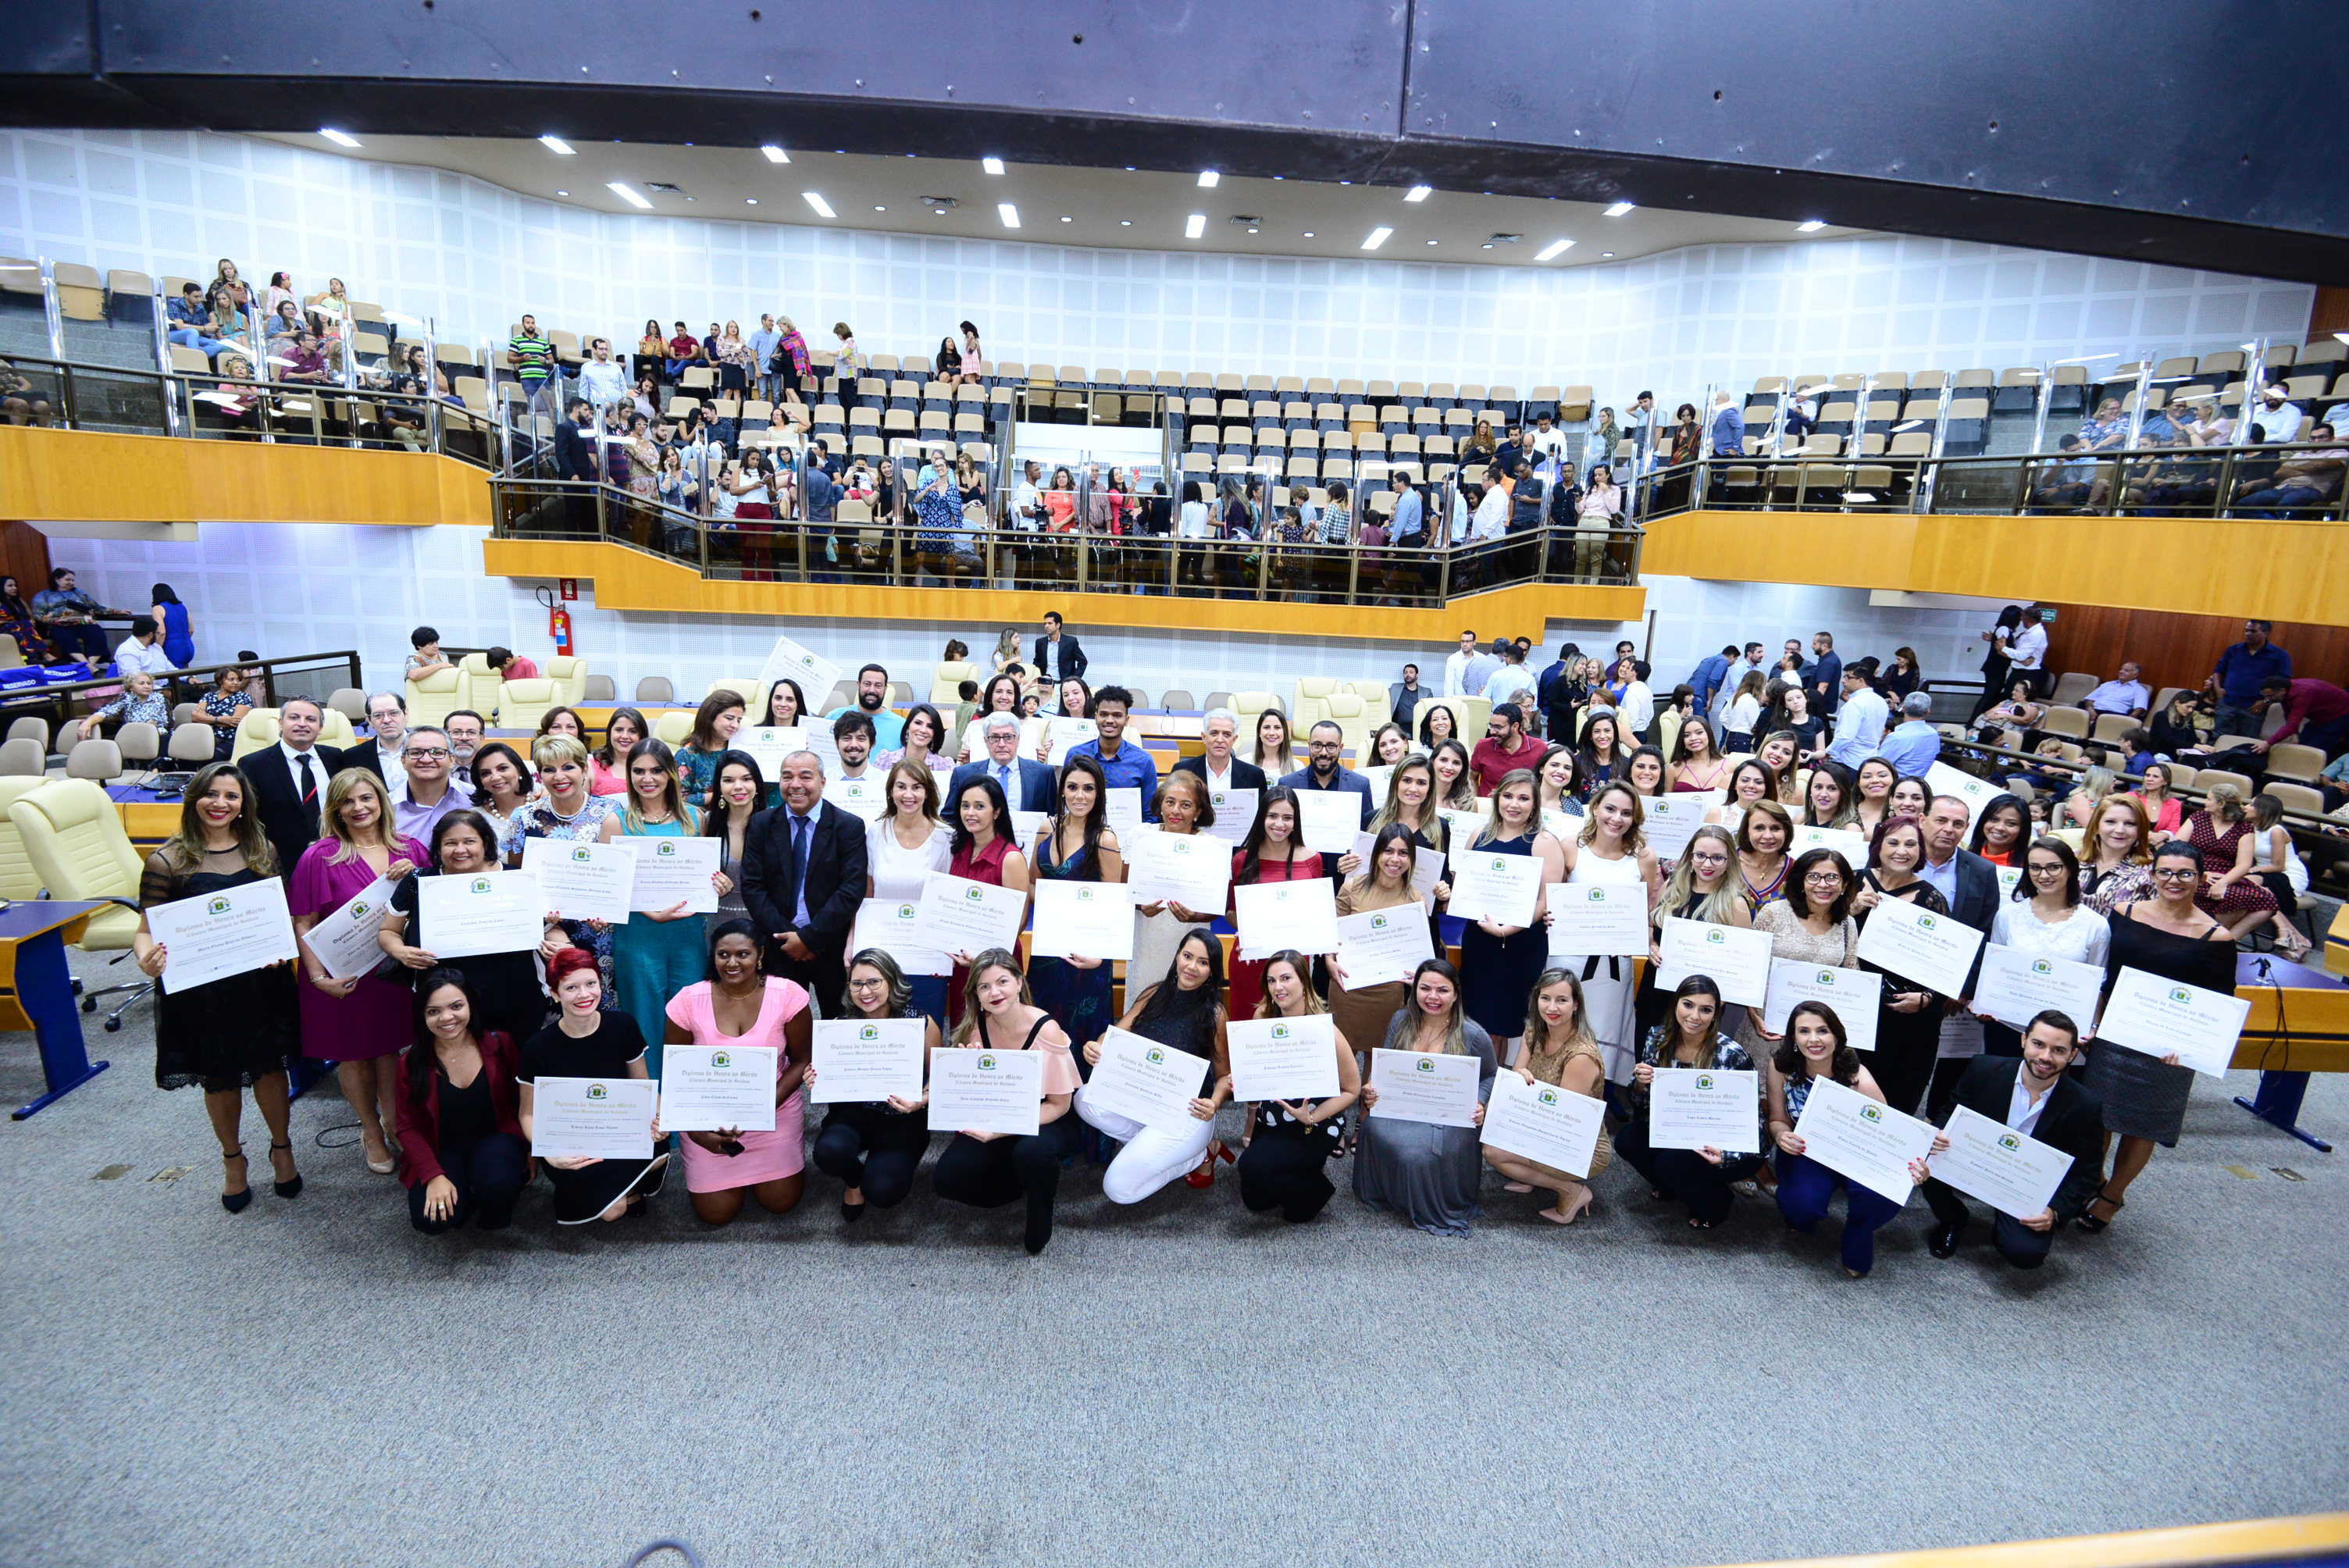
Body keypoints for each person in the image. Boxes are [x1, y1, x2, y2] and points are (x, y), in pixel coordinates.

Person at [133, 763, 304, 1212]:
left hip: (260, 982)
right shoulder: (167, 861)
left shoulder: (263, 850)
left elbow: (279, 914)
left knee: (270, 1069)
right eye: (211, 794)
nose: (220, 804)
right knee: (220, 1076)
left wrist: (280, 946)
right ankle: (233, 1159)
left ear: (244, 804)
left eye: (231, 796)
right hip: (202, 991)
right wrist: (146, 958)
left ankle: (282, 1148)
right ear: (194, 799)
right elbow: (145, 930)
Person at [2078, 841, 2239, 1232]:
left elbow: (2219, 1004)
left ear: (2200, 879)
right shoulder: (2125, 913)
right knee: (2098, 1119)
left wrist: (2191, 1050)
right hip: (2115, 1036)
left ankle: (2112, 1197)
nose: (2174, 880)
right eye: (2165, 871)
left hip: (2169, 1051)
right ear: (2152, 875)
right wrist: (2094, 1022)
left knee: (2143, 1126)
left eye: (2185, 873)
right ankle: (2096, 1179)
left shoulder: (2217, 938)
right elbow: (2104, 976)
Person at [290, 769, 426, 1174]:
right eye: (347, 801)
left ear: (381, 800)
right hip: (342, 976)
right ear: (335, 809)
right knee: (355, 1056)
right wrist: (318, 978)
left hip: (391, 971)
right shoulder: (320, 856)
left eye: (366, 798)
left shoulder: (411, 849)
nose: (358, 808)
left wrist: (415, 876)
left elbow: (432, 900)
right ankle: (370, 1130)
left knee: (390, 1050)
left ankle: (392, 1121)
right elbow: (303, 921)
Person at [1923, 1011, 2107, 1267]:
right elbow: (1950, 1112)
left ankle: (2005, 1222)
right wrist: (1940, 1133)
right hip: (1973, 1162)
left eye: (2058, 1050)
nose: (2045, 1057)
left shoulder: (2086, 1105)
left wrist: (2054, 1211)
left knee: (2025, 1254)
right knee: (1925, 1156)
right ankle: (1953, 1218)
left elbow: (2087, 1171)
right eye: (2038, 1044)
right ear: (2023, 1040)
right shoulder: (1983, 1069)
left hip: (2026, 1186)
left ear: (2073, 1055)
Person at [929, 950, 1082, 1254]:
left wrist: (1000, 1131)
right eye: (984, 987)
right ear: (976, 994)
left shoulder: (1046, 1030)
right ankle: (1017, 1186)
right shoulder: (976, 1027)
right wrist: (965, 1072)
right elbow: (970, 1097)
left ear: (1019, 983)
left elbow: (1060, 1105)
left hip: (1047, 1116)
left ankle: (1040, 1204)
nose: (994, 992)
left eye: (1002, 982)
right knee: (947, 1179)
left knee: (1032, 1152)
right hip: (999, 1112)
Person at [662, 921, 813, 1226]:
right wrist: (696, 1132)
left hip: (774, 1109)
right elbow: (676, 1073)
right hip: (707, 1119)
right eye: (723, 955)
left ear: (760, 955)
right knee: (715, 1214)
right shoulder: (688, 1001)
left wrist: (759, 1109)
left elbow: (803, 1060)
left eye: (742, 954)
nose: (732, 963)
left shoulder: (787, 995)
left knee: (780, 1203)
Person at [1766, 1000, 1930, 1278]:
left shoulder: (1857, 1076)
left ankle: (1858, 1232)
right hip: (1807, 1152)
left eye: (1823, 1030)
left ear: (1837, 1035)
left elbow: (1892, 1134)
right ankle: (1802, 1216)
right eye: (1804, 1031)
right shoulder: (1781, 1066)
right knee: (1800, 1207)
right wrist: (1781, 1134)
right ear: (1793, 1037)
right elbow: (1777, 1119)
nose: (1814, 1039)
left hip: (1857, 1154)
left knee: (1876, 1197)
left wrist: (1917, 1167)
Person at [1075, 927, 1234, 1201]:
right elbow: (1114, 1036)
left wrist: (1214, 1103)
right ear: (1177, 956)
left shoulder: (1215, 1013)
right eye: (1187, 956)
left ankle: (1197, 1156)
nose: (1192, 967)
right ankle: (1167, 1150)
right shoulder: (1153, 993)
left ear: (1212, 971)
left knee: (1118, 1190)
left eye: (1203, 962)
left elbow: (1224, 1077)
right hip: (1145, 1101)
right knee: (1084, 1097)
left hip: (1189, 1113)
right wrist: (1097, 1046)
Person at [517, 948, 668, 1224]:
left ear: (601, 984)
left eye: (591, 983)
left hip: (619, 1132)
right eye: (571, 988)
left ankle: (623, 1186)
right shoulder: (537, 1046)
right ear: (554, 993)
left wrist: (660, 1119)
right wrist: (549, 1153)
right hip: (570, 1141)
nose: (584, 994)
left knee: (659, 1155)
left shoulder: (623, 1026)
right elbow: (527, 1114)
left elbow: (643, 1086)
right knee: (613, 1212)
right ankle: (621, 1188)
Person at [1353, 960, 1496, 1236]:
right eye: (1425, 988)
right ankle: (1387, 1192)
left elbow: (1491, 1075)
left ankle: (1429, 1204)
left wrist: (1479, 1102)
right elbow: (1386, 1066)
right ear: (1415, 989)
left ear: (1456, 994)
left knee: (1415, 1154)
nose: (1433, 997)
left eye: (1442, 990)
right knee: (1371, 1126)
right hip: (1404, 1106)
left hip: (1449, 1116)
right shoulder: (1400, 1020)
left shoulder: (1473, 1034)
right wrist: (1372, 1087)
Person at [1618, 975, 1764, 1229]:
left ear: (1716, 1014)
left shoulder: (1731, 1054)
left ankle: (1718, 1203)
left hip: (1721, 1139)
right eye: (1688, 1005)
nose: (1695, 1016)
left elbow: (1755, 1125)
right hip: (1676, 1128)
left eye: (1705, 1010)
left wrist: (1726, 1156)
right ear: (1676, 1004)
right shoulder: (1657, 1038)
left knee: (1671, 1164)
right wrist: (1641, 1083)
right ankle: (1674, 1186)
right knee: (1627, 1141)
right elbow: (1640, 1103)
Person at [1230, 952, 1362, 1224]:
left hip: (1314, 1123)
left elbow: (1352, 1088)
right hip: (1273, 1118)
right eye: (1271, 981)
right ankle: (1303, 1171)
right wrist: (1243, 1078)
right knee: (1256, 1200)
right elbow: (1257, 1071)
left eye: (1286, 978)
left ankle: (1317, 1191)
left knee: (1253, 1168)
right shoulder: (1262, 1017)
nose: (1278, 987)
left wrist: (1311, 1116)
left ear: (1304, 982)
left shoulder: (1326, 1030)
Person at [808, 950, 940, 1218]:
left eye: (873, 982)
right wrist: (816, 1079)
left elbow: (940, 1077)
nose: (865, 991)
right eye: (857, 984)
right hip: (852, 1115)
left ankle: (878, 1171)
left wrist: (921, 1101)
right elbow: (827, 1076)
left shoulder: (920, 1023)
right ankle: (854, 1180)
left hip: (902, 1118)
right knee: (828, 1154)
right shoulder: (839, 1026)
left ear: (891, 981)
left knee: (883, 1191)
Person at [396, 971, 528, 1235]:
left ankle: (486, 1195)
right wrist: (433, 1175)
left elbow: (523, 1102)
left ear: (470, 1005)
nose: (446, 1018)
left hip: (497, 1140)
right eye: (434, 1011)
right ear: (422, 1016)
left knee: (498, 1184)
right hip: (441, 1148)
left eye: (456, 1006)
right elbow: (407, 1127)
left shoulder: (501, 1043)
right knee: (430, 1220)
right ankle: (466, 1192)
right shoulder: (410, 1063)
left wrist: (531, 1150)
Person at [1483, 969, 1612, 1225]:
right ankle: (1529, 1174)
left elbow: (1562, 1120)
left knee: (1493, 1152)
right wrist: (1521, 1080)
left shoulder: (1581, 1056)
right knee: (1489, 1129)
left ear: (1576, 1005)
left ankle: (1571, 1191)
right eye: (1546, 998)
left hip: (1576, 1142)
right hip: (1540, 1124)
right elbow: (1517, 1080)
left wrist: (1526, 1095)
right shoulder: (1534, 1030)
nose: (1552, 1008)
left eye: (1562, 1000)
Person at [1552, 782, 1659, 1083]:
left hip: (1613, 964)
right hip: (1568, 958)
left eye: (1626, 813)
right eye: (1610, 809)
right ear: (1596, 808)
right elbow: (1552, 897)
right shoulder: (1570, 846)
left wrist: (1647, 940)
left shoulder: (1644, 857)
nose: (1617, 818)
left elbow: (1646, 914)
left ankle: (1598, 1092)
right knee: (1560, 1020)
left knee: (1604, 1028)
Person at [1849, 814, 1955, 1117]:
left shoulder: (1932, 899)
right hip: (1854, 1008)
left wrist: (1927, 998)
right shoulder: (1851, 881)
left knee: (1896, 1102)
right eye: (1893, 842)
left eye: (1911, 844)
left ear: (1920, 850)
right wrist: (1850, 909)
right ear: (1878, 846)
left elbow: (1947, 963)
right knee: (1846, 1092)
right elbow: (1821, 929)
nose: (1901, 851)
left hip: (1904, 1016)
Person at [1028, 754, 1124, 1053]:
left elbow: (1114, 905)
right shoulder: (1047, 828)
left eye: (1088, 788)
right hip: (1048, 950)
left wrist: (1100, 957)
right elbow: (1032, 884)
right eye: (1072, 787)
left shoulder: (1105, 840)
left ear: (1099, 794)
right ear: (1062, 792)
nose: (1079, 796)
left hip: (1087, 955)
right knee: (1041, 1030)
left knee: (1081, 1039)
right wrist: (1057, 907)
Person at [2183, 782, 2307, 957]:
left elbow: (2247, 864)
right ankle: (2214, 943)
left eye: (2209, 799)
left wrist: (2224, 882)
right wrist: (2201, 873)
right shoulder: (2198, 818)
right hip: (2198, 870)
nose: (2205, 802)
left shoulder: (2248, 828)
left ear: (2221, 804)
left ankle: (2223, 944)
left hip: (2238, 873)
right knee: (2242, 892)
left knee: (2264, 897)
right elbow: (2179, 847)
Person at [701, 750, 765, 939]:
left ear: (757, 784)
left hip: (762, 926)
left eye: (746, 779)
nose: (738, 787)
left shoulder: (774, 824)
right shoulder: (706, 823)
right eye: (728, 780)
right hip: (716, 927)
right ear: (719, 787)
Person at [950, 711, 1058, 818]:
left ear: (1018, 739)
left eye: (1008, 737)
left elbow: (1053, 817)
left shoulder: (1043, 774)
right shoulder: (963, 774)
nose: (1002, 744)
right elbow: (949, 817)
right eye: (995, 738)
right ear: (986, 741)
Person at [1068, 685, 1157, 804]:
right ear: (1096, 717)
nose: (1109, 720)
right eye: (1104, 714)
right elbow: (1065, 801)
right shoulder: (1076, 755)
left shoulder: (1144, 761)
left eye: (1117, 715)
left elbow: (1148, 812)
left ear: (1126, 720)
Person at [2208, 619, 2290, 739]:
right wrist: (2218, 690)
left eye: (2253, 631)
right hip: (2227, 704)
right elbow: (2218, 671)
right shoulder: (2233, 650)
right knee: (2219, 739)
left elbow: (2283, 683)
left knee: (2246, 743)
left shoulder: (2279, 655)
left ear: (2266, 633)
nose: (2248, 634)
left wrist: (2266, 701)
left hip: (2254, 708)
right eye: (2246, 631)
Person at [32, 566, 128, 663]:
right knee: (64, 636)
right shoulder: (43, 596)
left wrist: (117, 612)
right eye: (68, 580)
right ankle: (85, 664)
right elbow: (38, 615)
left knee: (97, 633)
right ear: (57, 579)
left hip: (83, 623)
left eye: (73, 580)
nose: (71, 583)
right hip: (59, 625)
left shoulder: (79, 593)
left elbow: (95, 607)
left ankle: (91, 664)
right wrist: (54, 620)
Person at [1172, 707, 1268, 795]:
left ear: (1234, 739)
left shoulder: (1254, 775)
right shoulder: (1182, 771)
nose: (1220, 740)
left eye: (1226, 735)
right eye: (1214, 734)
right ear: (1204, 737)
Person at [2251, 674, 2349, 757]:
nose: (2267, 699)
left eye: (2270, 696)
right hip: (2322, 715)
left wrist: (2268, 743)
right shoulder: (2285, 691)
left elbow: (2292, 725)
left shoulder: (2302, 693)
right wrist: (2294, 733)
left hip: (2342, 714)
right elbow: (2288, 714)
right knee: (2302, 743)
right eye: (2265, 696)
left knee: (2312, 750)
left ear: (2282, 690)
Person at [676, 688, 746, 801]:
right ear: (710, 716)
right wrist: (721, 795)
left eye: (739, 720)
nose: (735, 725)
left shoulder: (738, 749)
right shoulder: (687, 755)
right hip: (701, 812)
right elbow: (680, 799)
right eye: (729, 718)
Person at [1467, 702, 1543, 796]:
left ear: (1515, 726)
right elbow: (1471, 778)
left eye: (1498, 727)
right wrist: (1475, 801)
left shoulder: (1539, 748)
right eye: (1491, 726)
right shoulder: (1483, 746)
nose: (1492, 732)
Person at [828, 663, 907, 751]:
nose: (872, 690)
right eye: (867, 684)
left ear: (885, 689)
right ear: (858, 685)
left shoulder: (901, 725)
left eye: (878, 686)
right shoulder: (834, 717)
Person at [1824, 665, 1891, 768]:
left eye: (1848, 677)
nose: (1843, 681)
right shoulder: (1881, 701)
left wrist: (1828, 752)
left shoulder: (1855, 703)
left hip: (1848, 761)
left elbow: (1845, 737)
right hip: (1869, 759)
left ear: (1861, 681)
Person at [1877, 691, 1942, 775]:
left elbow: (1878, 765)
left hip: (1897, 781)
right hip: (1922, 781)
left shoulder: (1896, 737)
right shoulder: (1934, 734)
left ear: (1903, 709)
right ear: (1928, 712)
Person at [589, 707, 648, 796]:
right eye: (619, 730)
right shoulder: (591, 766)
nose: (625, 736)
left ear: (642, 736)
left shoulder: (653, 765)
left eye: (633, 731)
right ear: (610, 733)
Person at [1032, 611, 1088, 683]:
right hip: (1045, 682)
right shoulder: (1040, 642)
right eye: (1045, 623)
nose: (1046, 626)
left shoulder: (1070, 642)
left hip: (1064, 683)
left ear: (1058, 625)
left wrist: (1074, 679)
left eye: (1050, 623)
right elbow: (1037, 662)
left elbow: (1083, 662)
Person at [2081, 661, 2152, 720]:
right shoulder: (2108, 684)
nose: (2121, 672)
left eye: (2126, 670)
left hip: (2114, 715)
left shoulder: (2139, 690)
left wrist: (2127, 721)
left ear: (2135, 675)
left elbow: (2139, 709)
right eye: (2121, 669)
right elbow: (2090, 699)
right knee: (2079, 707)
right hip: (2094, 711)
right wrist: (2090, 709)